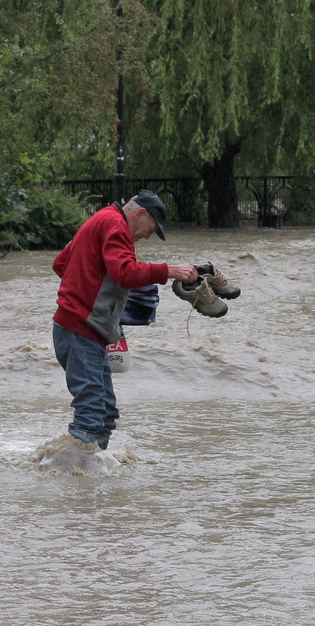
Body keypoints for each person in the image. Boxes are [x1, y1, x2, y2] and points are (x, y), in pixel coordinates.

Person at [50, 189, 198, 452]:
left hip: (76, 329)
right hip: (80, 331)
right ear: (140, 214)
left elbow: (61, 263)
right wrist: (169, 271)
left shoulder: (102, 219)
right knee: (92, 413)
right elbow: (124, 272)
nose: (146, 236)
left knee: (105, 413)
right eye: (150, 230)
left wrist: (99, 296)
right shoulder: (116, 226)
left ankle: (85, 477)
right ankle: (67, 477)